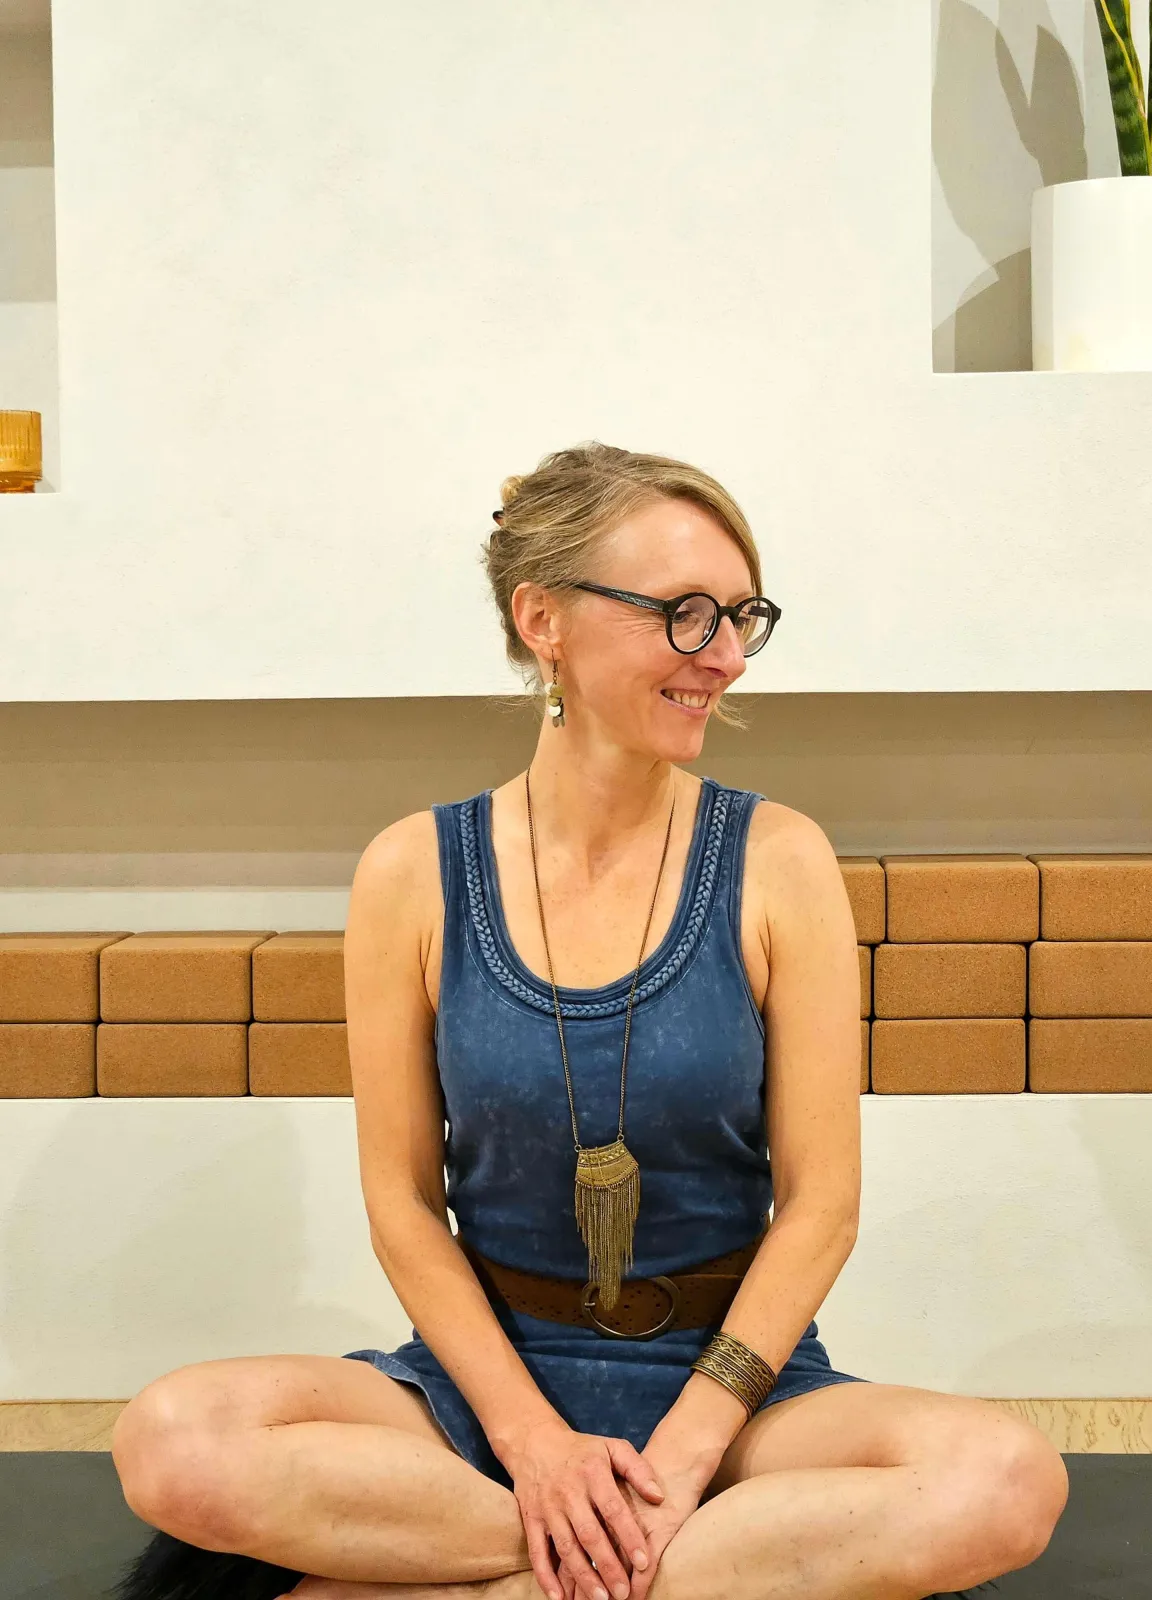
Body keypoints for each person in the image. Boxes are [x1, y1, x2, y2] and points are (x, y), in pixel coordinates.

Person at [111, 443, 1067, 1600]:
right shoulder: (412, 871)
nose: (724, 656)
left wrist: (687, 1451)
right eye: (683, 613)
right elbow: (402, 1203)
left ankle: (504, 1582)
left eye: (741, 617)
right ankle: (615, 1566)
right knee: (173, 1440)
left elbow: (822, 1206)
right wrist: (532, 1444)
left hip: (734, 1394)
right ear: (543, 620)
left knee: (1005, 1481)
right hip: (485, 1391)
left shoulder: (781, 859)